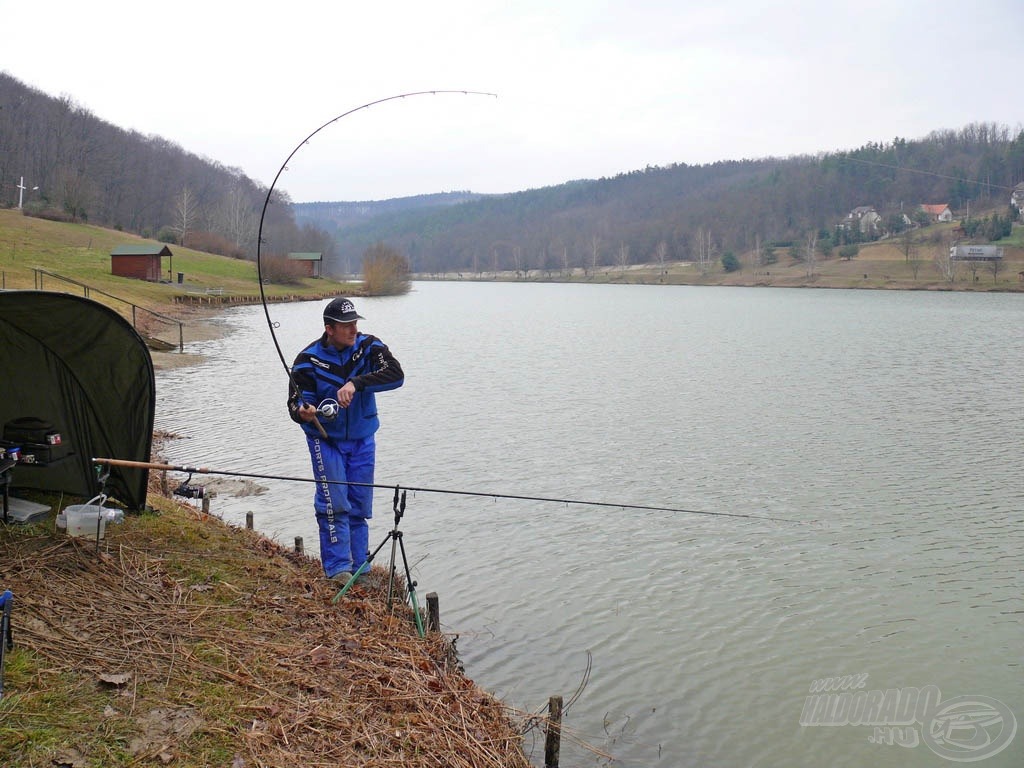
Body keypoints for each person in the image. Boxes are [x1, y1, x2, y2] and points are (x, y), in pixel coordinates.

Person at [288, 297, 404, 585]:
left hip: (363, 438)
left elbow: (396, 375)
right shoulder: (307, 360)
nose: (353, 329)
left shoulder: (369, 347)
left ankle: (360, 569)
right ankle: (338, 569)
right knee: (334, 502)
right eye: (346, 325)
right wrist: (303, 412)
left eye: (354, 323)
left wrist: (357, 383)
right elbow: (295, 402)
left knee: (360, 504)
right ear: (330, 329)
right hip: (326, 440)